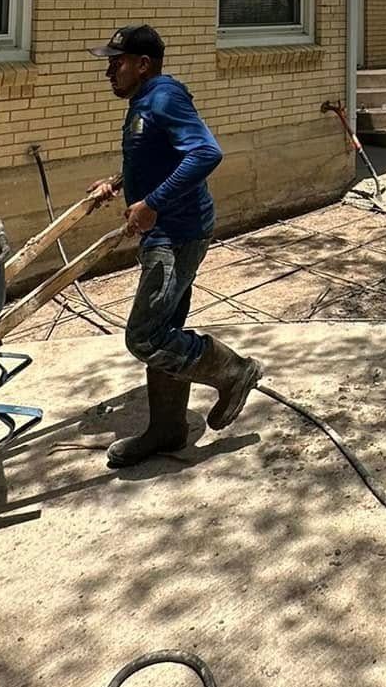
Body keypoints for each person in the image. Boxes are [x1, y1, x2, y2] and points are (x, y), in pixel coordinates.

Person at [91, 23, 262, 468]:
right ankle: (167, 428)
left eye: (117, 62)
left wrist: (153, 204)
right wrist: (117, 183)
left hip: (178, 233)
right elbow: (155, 158)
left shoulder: (164, 97)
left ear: (143, 64)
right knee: (163, 327)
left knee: (145, 336)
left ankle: (234, 371)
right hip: (163, 231)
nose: (109, 71)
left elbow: (206, 153)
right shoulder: (143, 102)